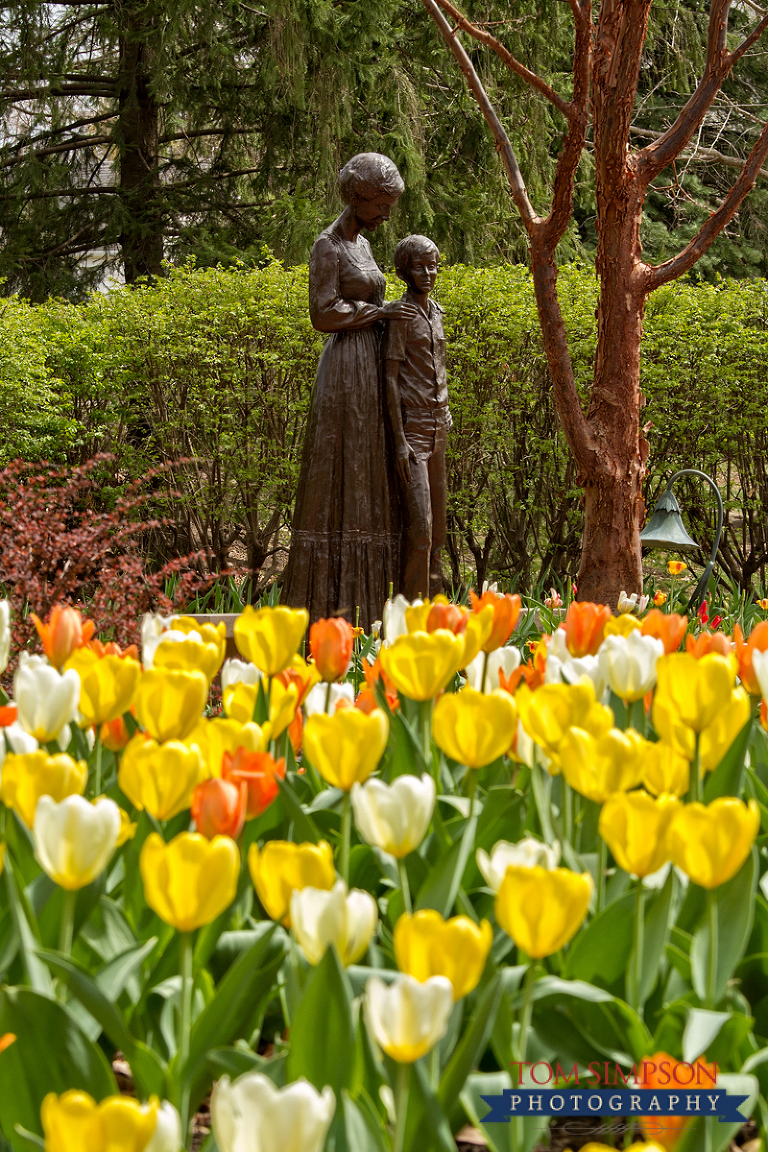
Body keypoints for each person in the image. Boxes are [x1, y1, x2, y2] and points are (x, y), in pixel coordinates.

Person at [282, 153, 416, 630]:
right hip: (344, 371)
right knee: (342, 475)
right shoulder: (329, 245)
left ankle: (369, 610)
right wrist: (379, 315)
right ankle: (328, 606)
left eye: (389, 205)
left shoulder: (363, 244)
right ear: (358, 198)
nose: (386, 214)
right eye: (380, 204)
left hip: (372, 366)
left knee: (369, 475)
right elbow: (322, 314)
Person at [384, 234, 450, 600]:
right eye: (419, 266)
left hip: (440, 427)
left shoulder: (436, 312)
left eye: (433, 265)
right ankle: (410, 616)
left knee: (438, 532)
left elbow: (436, 368)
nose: (427, 272)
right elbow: (390, 379)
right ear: (403, 270)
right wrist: (398, 440)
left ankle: (434, 615)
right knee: (420, 532)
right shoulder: (401, 315)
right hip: (413, 434)